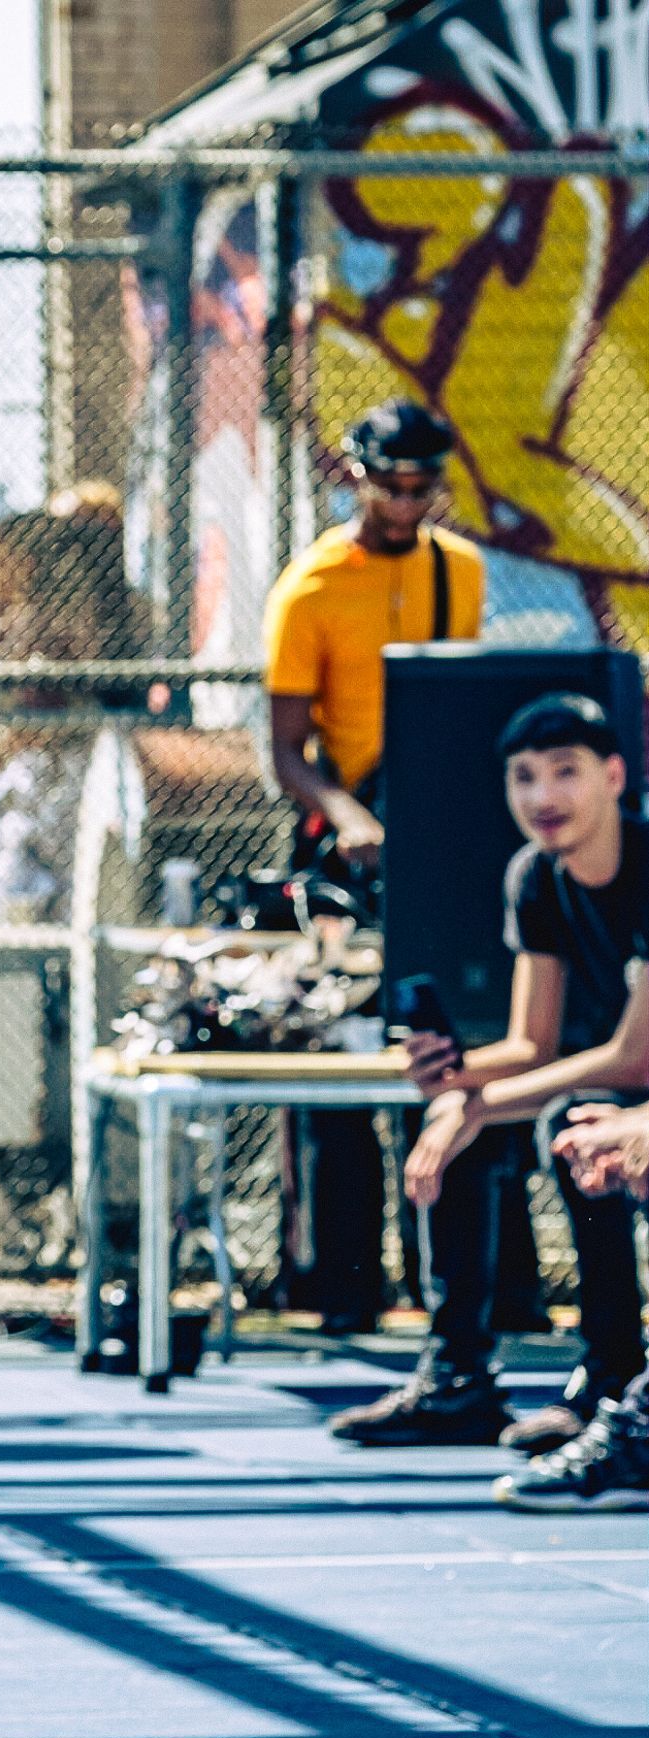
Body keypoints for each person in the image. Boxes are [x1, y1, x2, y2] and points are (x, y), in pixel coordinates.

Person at [331, 693, 646, 1450]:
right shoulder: (534, 878)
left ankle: (613, 1376)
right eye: (523, 777)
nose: (541, 796)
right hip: (609, 1080)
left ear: (612, 775)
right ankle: (458, 1379)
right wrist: (457, 1084)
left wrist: (479, 1102)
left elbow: (635, 1057)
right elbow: (529, 1044)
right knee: (451, 1125)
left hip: (629, 1076)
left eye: (564, 772)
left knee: (566, 1127)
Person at [264, 399, 488, 1332]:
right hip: (346, 848)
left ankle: (457, 1290)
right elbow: (283, 752)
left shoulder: (459, 569)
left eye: (422, 487)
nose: (406, 504)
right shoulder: (310, 587)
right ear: (354, 476)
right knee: (340, 1059)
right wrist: (351, 817)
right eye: (389, 485)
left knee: (440, 1050)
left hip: (433, 845)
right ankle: (343, 1289)